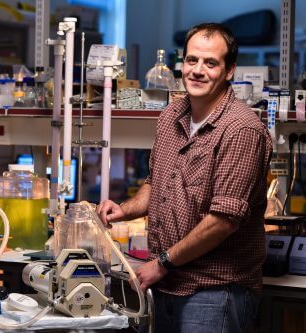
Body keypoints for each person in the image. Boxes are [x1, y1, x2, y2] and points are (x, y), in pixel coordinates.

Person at [97, 23, 272, 332]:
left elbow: (223, 220)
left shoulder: (241, 129)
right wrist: (125, 210)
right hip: (167, 285)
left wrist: (162, 263)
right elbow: (158, 183)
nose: (198, 71)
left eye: (211, 63)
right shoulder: (171, 116)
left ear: (229, 70)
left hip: (215, 291)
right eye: (192, 60)